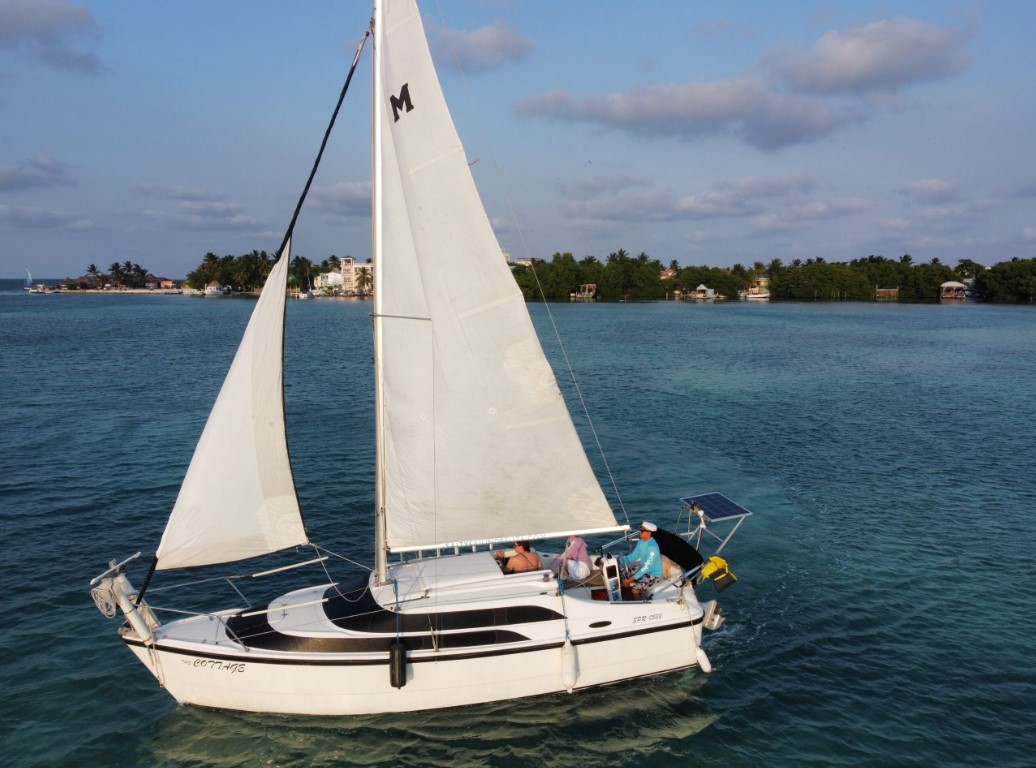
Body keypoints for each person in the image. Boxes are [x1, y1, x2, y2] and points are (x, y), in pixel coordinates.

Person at [621, 522, 663, 597]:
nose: (639, 532)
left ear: (649, 533)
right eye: (640, 530)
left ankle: (636, 601)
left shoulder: (652, 547)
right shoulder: (641, 541)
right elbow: (634, 555)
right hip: (642, 568)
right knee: (623, 574)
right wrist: (620, 561)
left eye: (642, 531)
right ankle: (627, 593)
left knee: (635, 588)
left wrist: (631, 579)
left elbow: (646, 568)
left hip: (653, 574)